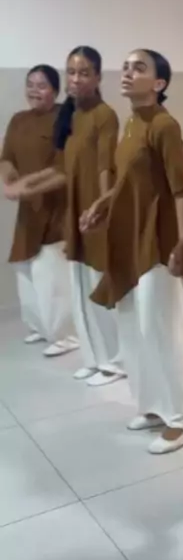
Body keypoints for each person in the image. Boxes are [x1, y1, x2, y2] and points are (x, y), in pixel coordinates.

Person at [81, 49, 183, 454]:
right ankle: (153, 406)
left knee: (159, 329)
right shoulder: (131, 123)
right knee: (133, 328)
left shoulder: (164, 125)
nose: (128, 73)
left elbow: (181, 189)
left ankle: (181, 418)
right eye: (126, 67)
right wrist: (104, 202)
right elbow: (129, 180)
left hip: (158, 243)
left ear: (159, 83)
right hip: (129, 239)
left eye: (139, 68)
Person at [5, 46, 123, 386]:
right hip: (75, 212)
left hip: (94, 214)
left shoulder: (104, 115)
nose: (76, 79)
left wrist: (101, 206)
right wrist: (25, 185)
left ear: (97, 77)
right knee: (80, 290)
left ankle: (115, 363)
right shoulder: (73, 116)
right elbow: (63, 168)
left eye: (84, 72)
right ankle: (94, 358)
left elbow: (106, 167)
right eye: (71, 72)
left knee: (100, 289)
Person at [1, 65, 78, 357]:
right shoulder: (18, 120)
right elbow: (6, 157)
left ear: (55, 91)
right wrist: (9, 179)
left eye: (42, 85)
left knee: (51, 272)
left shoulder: (63, 118)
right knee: (25, 267)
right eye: (30, 84)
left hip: (55, 206)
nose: (34, 91)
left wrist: (25, 187)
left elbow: (63, 168)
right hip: (28, 210)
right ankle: (41, 326)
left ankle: (66, 334)